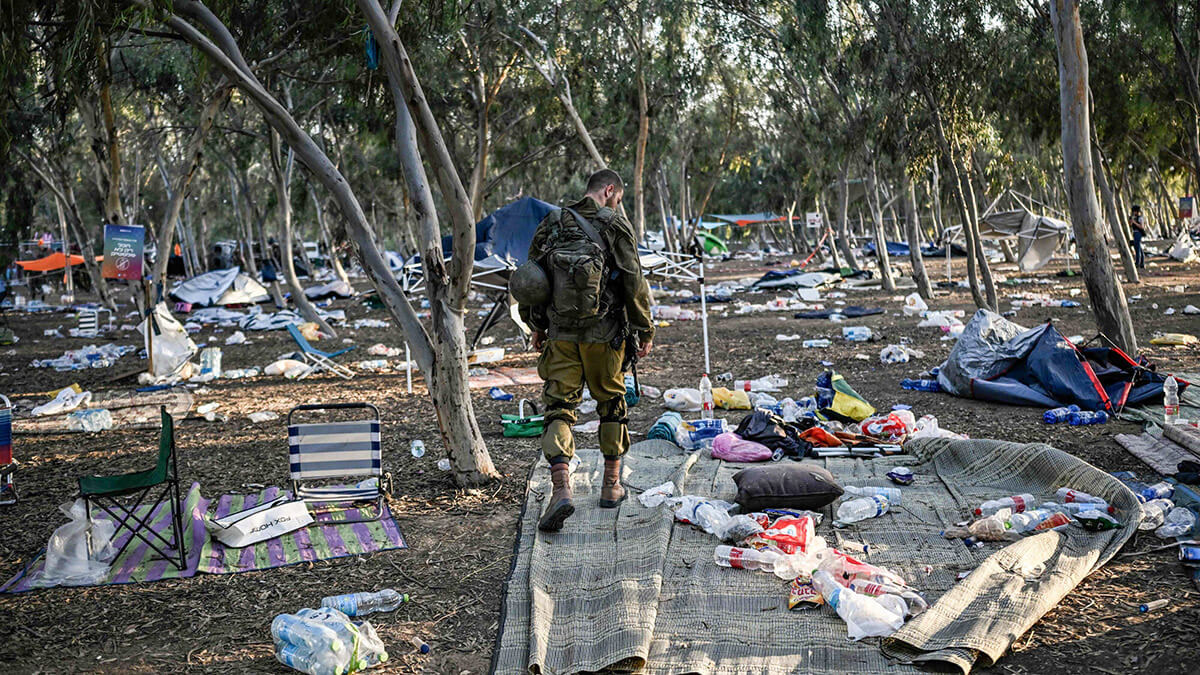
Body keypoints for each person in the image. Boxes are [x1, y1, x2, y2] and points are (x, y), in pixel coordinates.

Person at [517, 169, 654, 532]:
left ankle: (561, 488)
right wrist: (643, 328)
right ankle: (611, 486)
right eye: (618, 199)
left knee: (559, 407)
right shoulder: (614, 225)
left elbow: (532, 279)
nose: (616, 204)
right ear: (609, 191)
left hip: (561, 334)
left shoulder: (553, 222)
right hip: (605, 334)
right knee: (611, 403)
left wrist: (536, 325)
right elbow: (633, 280)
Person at [1130, 204, 1147, 269]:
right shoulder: (1134, 218)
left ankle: (1137, 263)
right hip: (1134, 233)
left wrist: (1134, 222)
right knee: (1139, 248)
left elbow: (1142, 227)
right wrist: (1131, 222)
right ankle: (1142, 263)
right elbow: (1131, 225)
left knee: (1137, 249)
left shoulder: (1140, 218)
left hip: (1138, 233)